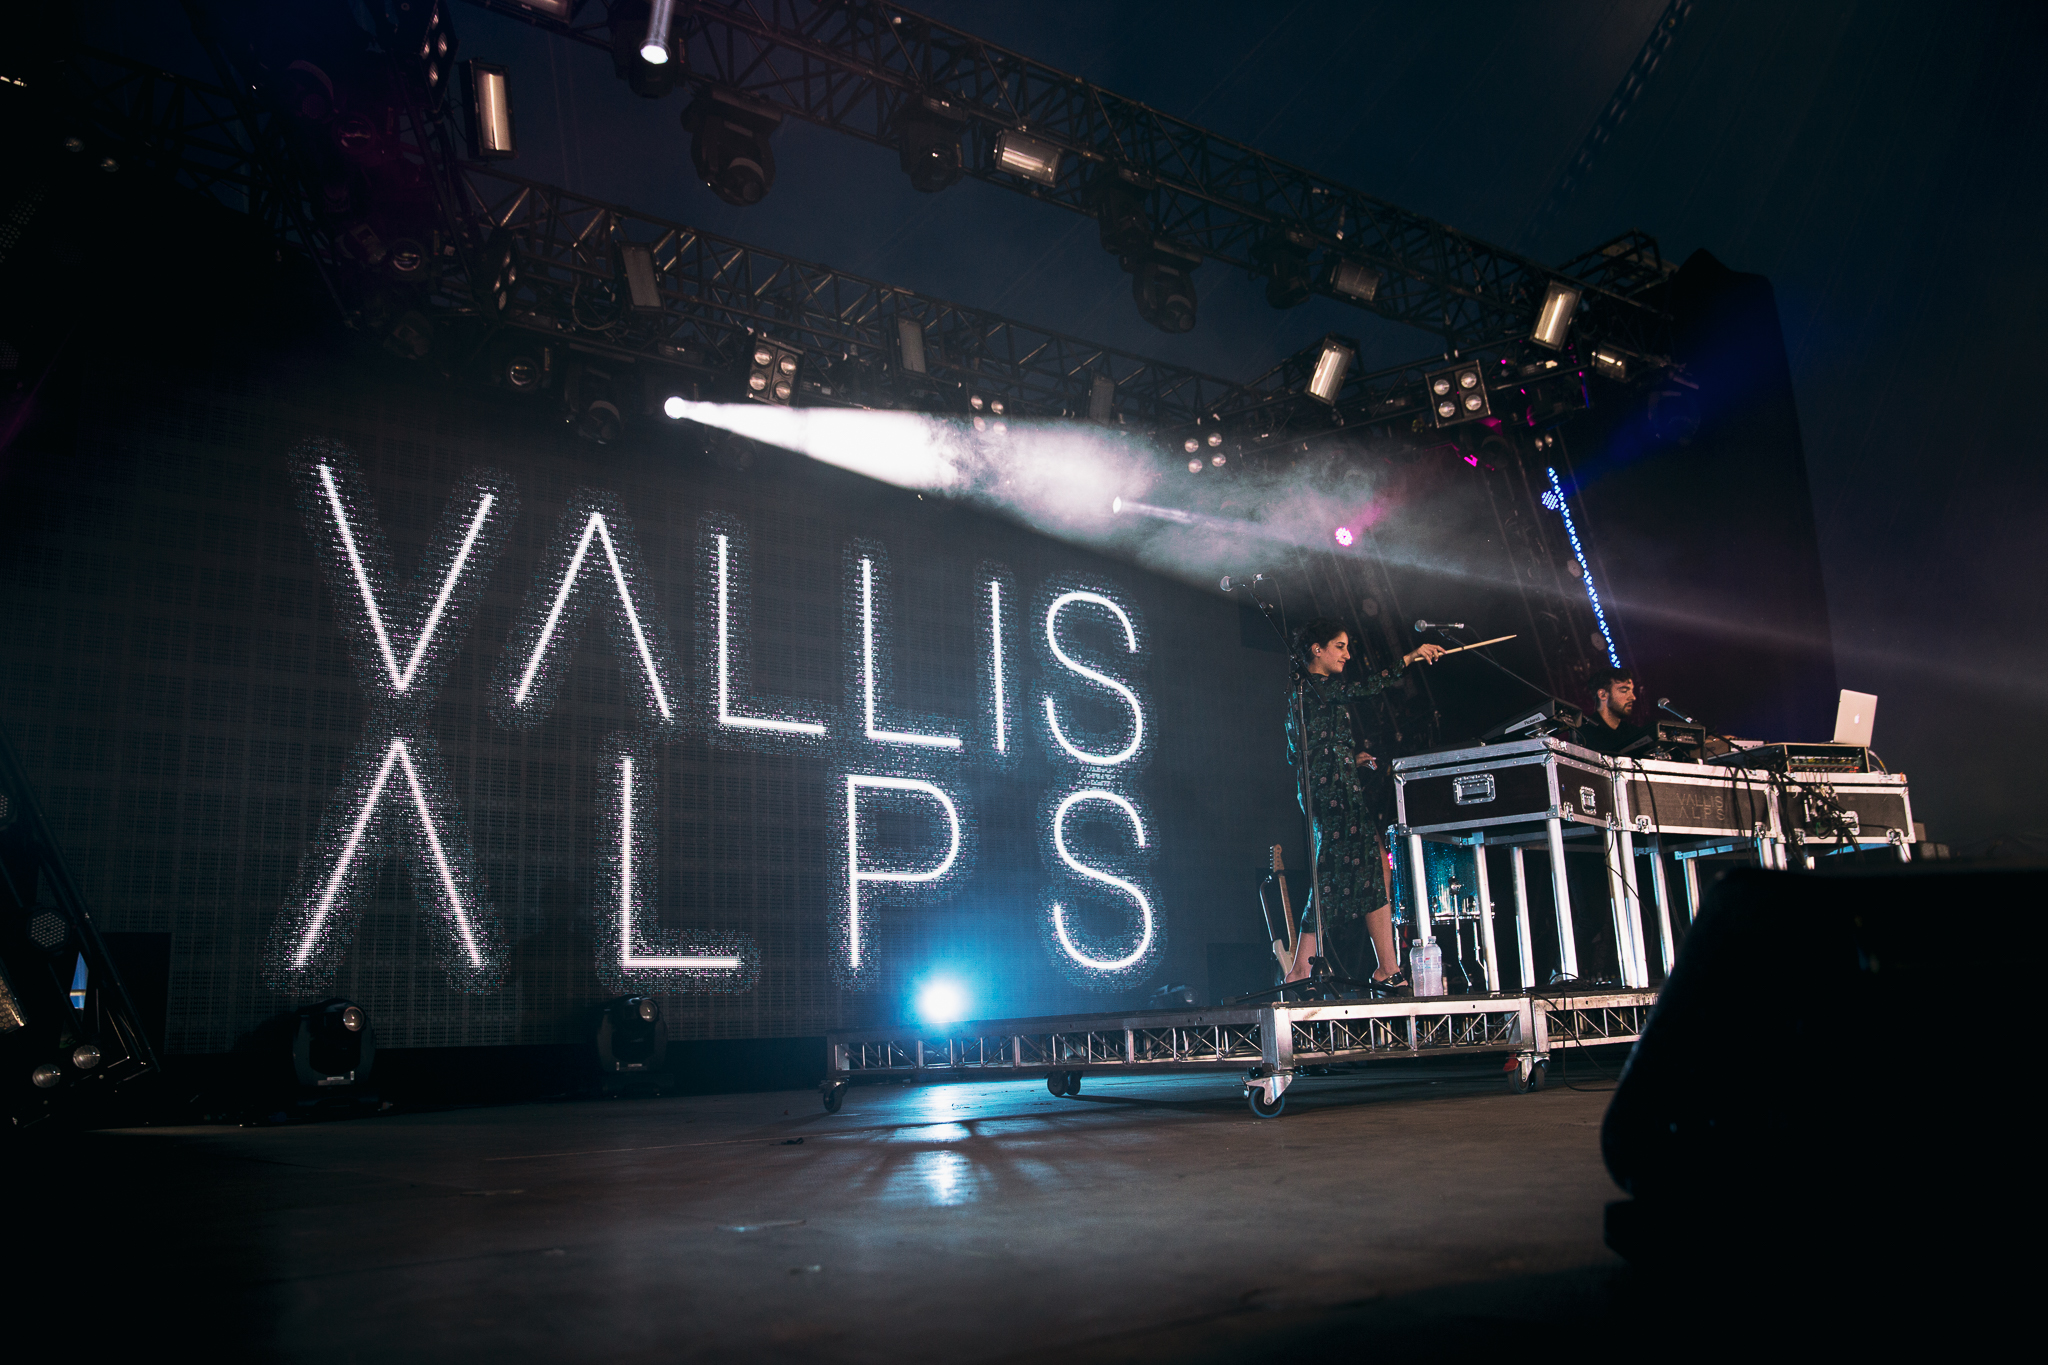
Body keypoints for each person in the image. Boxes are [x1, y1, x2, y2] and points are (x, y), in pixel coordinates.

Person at [1283, 619, 1445, 992]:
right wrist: (1409, 658)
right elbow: (1365, 688)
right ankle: (1305, 968)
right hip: (1331, 792)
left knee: (1374, 867)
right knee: (1336, 874)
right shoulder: (1314, 688)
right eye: (1339, 646)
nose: (1347, 655)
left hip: (1339, 785)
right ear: (1317, 649)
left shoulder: (1315, 693)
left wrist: (1347, 758)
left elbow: (1310, 745)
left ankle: (1385, 967)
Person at [1572, 664, 1651, 757]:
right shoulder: (1583, 733)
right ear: (1602, 694)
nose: (1633, 697)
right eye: (1624, 691)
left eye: (1632, 691)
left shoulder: (1635, 734)